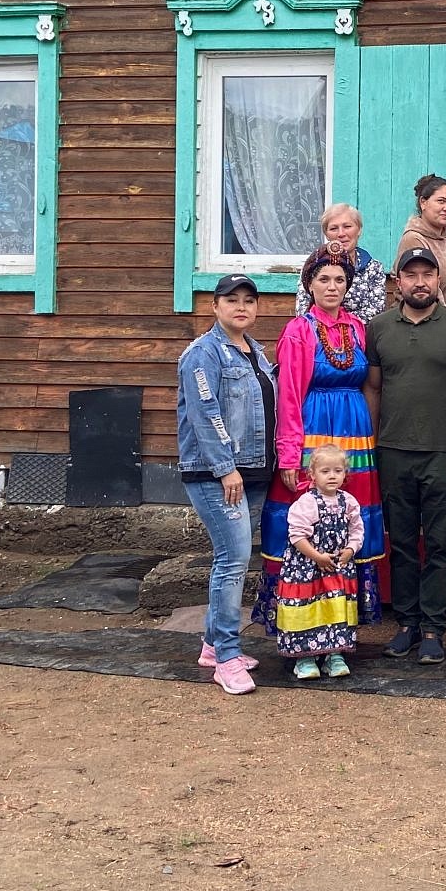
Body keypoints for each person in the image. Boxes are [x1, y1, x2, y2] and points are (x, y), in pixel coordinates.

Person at [253, 245, 383, 634]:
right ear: (309, 284)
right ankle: (300, 617)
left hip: (355, 436)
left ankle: (340, 617)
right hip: (312, 430)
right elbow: (289, 394)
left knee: (348, 517)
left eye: (339, 280)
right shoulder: (298, 331)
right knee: (308, 518)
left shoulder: (358, 328)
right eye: (323, 279)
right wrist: (290, 455)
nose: (332, 286)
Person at [365, 246, 446, 663]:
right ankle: (407, 623)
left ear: (437, 280)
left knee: (439, 542)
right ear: (398, 282)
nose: (419, 282)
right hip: (393, 451)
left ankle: (433, 628)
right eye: (410, 275)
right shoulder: (378, 329)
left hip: (443, 452)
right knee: (402, 544)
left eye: (426, 275)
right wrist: (371, 445)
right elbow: (374, 389)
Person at [176, 274, 275, 696]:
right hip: (218, 474)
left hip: (254, 471)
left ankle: (213, 645)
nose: (241, 307)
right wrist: (224, 468)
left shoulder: (255, 352)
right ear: (214, 306)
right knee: (232, 561)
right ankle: (229, 657)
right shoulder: (203, 354)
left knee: (233, 558)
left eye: (249, 301)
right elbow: (205, 413)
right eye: (231, 300)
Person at [272, 445, 366, 681]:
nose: (332, 476)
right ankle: (304, 657)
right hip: (307, 569)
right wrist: (316, 556)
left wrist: (350, 550)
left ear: (345, 473)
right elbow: (296, 536)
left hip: (336, 568)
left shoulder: (349, 502)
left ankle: (334, 654)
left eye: (338, 470)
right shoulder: (306, 503)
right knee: (308, 610)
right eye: (325, 471)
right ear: (312, 475)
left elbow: (357, 530)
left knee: (334, 609)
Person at [294, 203, 389, 320]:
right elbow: (303, 310)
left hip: (361, 335)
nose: (341, 234)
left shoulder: (373, 267)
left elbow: (377, 310)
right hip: (318, 333)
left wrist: (341, 324)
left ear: (359, 230)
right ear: (326, 234)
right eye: (334, 228)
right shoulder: (313, 265)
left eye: (347, 226)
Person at [397, 176, 446, 314]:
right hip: (429, 326)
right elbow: (427, 293)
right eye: (441, 201)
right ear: (423, 203)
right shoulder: (414, 239)